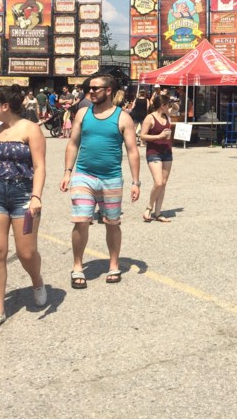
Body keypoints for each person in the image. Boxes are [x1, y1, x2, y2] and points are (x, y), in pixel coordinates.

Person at [0, 85, 47, 330]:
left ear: (5, 106)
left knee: (26, 252)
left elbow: (40, 166)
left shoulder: (30, 129)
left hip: (23, 193)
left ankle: (37, 281)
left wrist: (36, 196)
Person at [61, 73, 141, 289]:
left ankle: (114, 265)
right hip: (83, 175)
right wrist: (68, 171)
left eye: (96, 88)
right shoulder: (82, 113)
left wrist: (136, 181)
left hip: (111, 178)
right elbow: (73, 143)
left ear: (108, 91)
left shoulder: (122, 117)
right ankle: (77, 266)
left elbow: (132, 151)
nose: (91, 91)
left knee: (112, 223)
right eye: (90, 88)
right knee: (80, 220)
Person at [139, 93, 174, 223]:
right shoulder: (150, 118)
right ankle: (149, 207)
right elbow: (142, 136)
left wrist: (169, 97)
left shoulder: (167, 116)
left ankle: (158, 213)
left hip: (167, 152)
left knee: (163, 183)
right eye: (167, 105)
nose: (169, 107)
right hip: (154, 152)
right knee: (158, 182)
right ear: (162, 105)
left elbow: (177, 107)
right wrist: (159, 136)